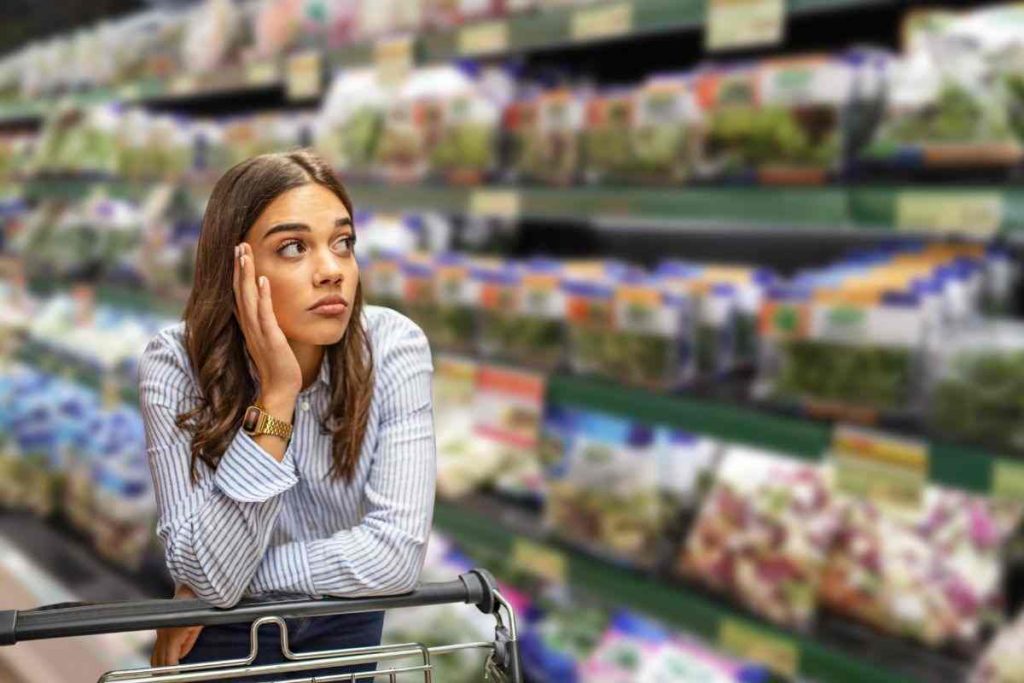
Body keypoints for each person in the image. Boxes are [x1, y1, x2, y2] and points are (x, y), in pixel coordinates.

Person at [137, 149, 436, 682]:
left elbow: (394, 556)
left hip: (340, 625)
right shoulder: (176, 364)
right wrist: (276, 397)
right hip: (219, 639)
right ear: (235, 266)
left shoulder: (393, 348)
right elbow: (208, 573)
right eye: (294, 247)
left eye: (343, 243)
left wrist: (235, 580)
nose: (332, 272)